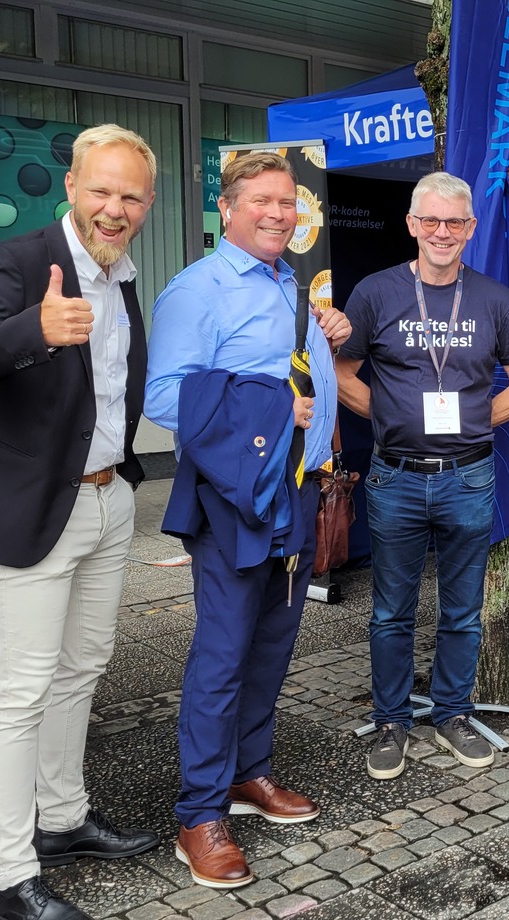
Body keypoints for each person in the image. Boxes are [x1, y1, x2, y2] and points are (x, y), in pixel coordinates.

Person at [0, 124, 159, 920]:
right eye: (101, 189)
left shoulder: (124, 276)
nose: (114, 207)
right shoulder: (18, 263)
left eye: (130, 195)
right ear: (71, 187)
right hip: (34, 506)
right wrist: (34, 330)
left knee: (82, 669)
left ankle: (62, 819)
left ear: (148, 204)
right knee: (20, 692)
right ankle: (12, 876)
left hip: (107, 500)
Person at [144, 151, 351, 890]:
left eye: (288, 203)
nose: (278, 213)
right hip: (234, 500)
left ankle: (247, 775)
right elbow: (165, 398)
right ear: (226, 208)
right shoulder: (196, 290)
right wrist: (270, 408)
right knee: (223, 654)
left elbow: (288, 367)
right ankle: (198, 812)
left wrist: (328, 341)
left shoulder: (287, 282)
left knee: (271, 645)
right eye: (261, 201)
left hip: (296, 492)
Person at [337, 171, 509, 783]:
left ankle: (452, 712)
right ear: (411, 224)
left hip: (469, 476)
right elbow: (344, 374)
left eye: (454, 222)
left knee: (462, 612)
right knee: (390, 612)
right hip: (394, 476)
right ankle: (391, 720)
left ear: (471, 229)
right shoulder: (375, 293)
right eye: (430, 220)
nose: (442, 232)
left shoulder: (494, 299)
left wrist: (478, 420)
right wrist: (394, 418)